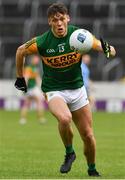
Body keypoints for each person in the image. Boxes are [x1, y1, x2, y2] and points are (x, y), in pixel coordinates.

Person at [14, 3, 116, 177]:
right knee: (64, 118)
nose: (59, 23)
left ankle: (92, 169)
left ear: (68, 18)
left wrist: (108, 49)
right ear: (49, 22)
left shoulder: (80, 35)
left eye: (62, 19)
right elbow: (20, 51)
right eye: (55, 20)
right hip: (54, 90)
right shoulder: (42, 41)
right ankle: (69, 152)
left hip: (77, 90)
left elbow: (107, 50)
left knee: (88, 136)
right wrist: (20, 77)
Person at [19, 55, 46, 125]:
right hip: (32, 88)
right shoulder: (30, 68)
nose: (37, 60)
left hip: (31, 89)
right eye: (36, 59)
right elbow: (26, 78)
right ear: (32, 60)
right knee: (39, 102)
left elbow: (37, 79)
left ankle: (23, 119)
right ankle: (41, 118)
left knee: (27, 103)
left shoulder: (34, 68)